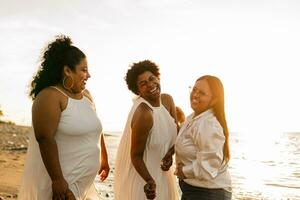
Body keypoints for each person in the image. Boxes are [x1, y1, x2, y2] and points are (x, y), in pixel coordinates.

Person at [18, 35, 110, 200]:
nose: (88, 75)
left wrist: (104, 159)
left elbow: (96, 128)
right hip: (65, 183)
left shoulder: (87, 96)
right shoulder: (50, 96)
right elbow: (45, 138)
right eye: (84, 70)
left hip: (85, 184)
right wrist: (58, 180)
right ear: (67, 71)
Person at [114, 60, 179, 200]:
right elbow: (136, 156)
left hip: (164, 176)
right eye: (143, 84)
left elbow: (177, 134)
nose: (150, 84)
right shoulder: (144, 113)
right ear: (137, 91)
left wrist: (170, 153)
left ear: (158, 77)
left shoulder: (167, 100)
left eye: (152, 78)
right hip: (144, 180)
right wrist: (149, 180)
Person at [175, 75, 232, 200]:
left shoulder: (209, 124)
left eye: (202, 93)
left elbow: (208, 168)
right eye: (194, 89)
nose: (195, 95)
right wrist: (180, 122)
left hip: (208, 193)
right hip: (195, 191)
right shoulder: (194, 118)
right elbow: (190, 140)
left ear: (214, 100)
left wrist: (183, 172)